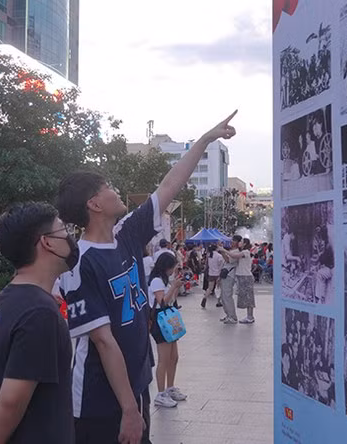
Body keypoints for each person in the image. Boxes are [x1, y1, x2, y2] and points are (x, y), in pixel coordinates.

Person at [56, 111, 237, 444]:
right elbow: (102, 340)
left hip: (136, 385)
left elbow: (169, 185)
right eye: (108, 187)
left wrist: (206, 139)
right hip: (98, 400)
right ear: (94, 204)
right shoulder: (80, 262)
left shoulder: (126, 236)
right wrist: (128, 409)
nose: (115, 191)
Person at [0, 202, 75, 444]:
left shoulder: (4, 301)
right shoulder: (40, 313)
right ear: (47, 242)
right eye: (64, 231)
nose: (70, 238)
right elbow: (11, 401)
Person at [148, 253, 187, 408]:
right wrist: (173, 287)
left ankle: (170, 388)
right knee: (164, 359)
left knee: (173, 357)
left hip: (169, 317)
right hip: (160, 319)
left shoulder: (165, 279)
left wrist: (176, 286)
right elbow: (162, 302)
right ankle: (160, 393)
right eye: (173, 266)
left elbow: (171, 300)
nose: (174, 270)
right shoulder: (157, 280)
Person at [220, 238, 255, 324]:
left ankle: (250, 317)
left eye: (241, 242)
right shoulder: (241, 251)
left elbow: (234, 256)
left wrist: (223, 250)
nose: (239, 243)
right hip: (241, 276)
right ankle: (248, 316)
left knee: (248, 297)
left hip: (246, 276)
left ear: (244, 244)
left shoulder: (245, 252)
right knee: (245, 297)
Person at [218, 235, 241, 324]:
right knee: (224, 296)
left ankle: (232, 316)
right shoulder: (231, 250)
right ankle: (228, 314)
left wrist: (222, 250)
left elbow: (228, 260)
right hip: (225, 274)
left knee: (227, 296)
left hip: (229, 275)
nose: (232, 242)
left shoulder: (236, 251)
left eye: (234, 241)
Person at [202, 244, 224, 308]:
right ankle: (218, 302)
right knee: (219, 288)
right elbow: (221, 264)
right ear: (216, 249)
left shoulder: (209, 256)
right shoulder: (219, 256)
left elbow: (207, 264)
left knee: (210, 288)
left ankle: (205, 297)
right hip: (218, 274)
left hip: (211, 273)